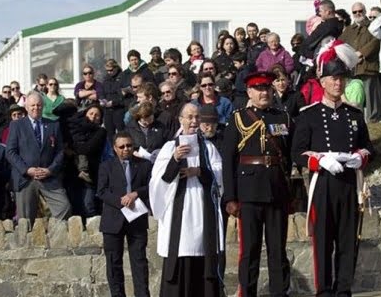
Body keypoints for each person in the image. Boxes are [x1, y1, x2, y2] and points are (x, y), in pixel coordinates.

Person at [291, 40, 372, 297]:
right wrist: (319, 160)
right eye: (333, 79)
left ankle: (343, 289)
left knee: (349, 241)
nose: (338, 83)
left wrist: (360, 158)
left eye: (342, 79)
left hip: (349, 183)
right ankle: (324, 291)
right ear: (322, 81)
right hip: (324, 183)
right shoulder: (309, 115)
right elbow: (297, 152)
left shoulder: (354, 115)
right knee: (323, 242)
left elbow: (369, 147)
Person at [222, 71, 292, 297]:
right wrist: (231, 197)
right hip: (249, 193)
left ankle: (279, 293)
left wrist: (289, 189)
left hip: (276, 191)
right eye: (259, 89)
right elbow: (228, 159)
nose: (264, 93)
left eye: (267, 88)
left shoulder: (282, 117)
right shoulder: (238, 118)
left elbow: (288, 156)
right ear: (249, 92)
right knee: (249, 252)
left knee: (277, 251)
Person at [150, 103, 223, 297]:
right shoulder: (168, 148)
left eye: (197, 117)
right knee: (180, 255)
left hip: (202, 211)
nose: (193, 121)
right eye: (189, 117)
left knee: (203, 257)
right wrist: (174, 159)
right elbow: (158, 182)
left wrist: (198, 171)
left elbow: (219, 177)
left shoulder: (208, 148)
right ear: (180, 119)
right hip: (179, 215)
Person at [98, 131, 152, 297]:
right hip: (113, 220)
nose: (126, 149)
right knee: (114, 263)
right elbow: (101, 191)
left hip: (137, 219)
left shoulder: (144, 164)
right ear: (115, 148)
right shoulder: (106, 166)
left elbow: (152, 186)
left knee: (139, 262)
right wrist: (120, 200)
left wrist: (135, 194)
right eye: (121, 147)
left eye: (129, 145)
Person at [5, 91, 72, 223]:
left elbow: (59, 152)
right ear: (26, 107)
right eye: (33, 105)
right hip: (26, 178)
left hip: (48, 176)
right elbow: (10, 152)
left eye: (39, 105)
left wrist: (50, 170)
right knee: (25, 220)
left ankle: (54, 239)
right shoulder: (16, 125)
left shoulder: (53, 125)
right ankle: (26, 243)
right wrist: (27, 170)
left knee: (64, 207)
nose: (36, 108)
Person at [339, 2, 381, 121]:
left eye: (360, 11)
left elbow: (376, 41)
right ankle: (358, 120)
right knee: (357, 97)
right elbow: (340, 44)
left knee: (370, 97)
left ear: (365, 11)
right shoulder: (348, 30)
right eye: (355, 12)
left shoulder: (372, 26)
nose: (358, 13)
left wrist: (361, 53)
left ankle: (372, 120)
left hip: (368, 66)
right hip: (352, 69)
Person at [67, 104, 108, 217]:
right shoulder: (74, 128)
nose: (93, 117)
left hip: (90, 173)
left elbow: (87, 149)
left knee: (88, 205)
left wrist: (75, 149)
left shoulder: (101, 132)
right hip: (73, 172)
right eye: (91, 113)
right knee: (74, 204)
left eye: (97, 115)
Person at [102, 59, 126, 142]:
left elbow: (124, 96)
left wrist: (114, 102)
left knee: (121, 132)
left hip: (118, 109)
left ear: (116, 68)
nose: (109, 72)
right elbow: (102, 92)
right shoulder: (106, 78)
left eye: (111, 70)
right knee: (109, 133)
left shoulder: (122, 77)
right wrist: (102, 100)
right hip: (107, 110)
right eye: (107, 70)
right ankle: (112, 152)